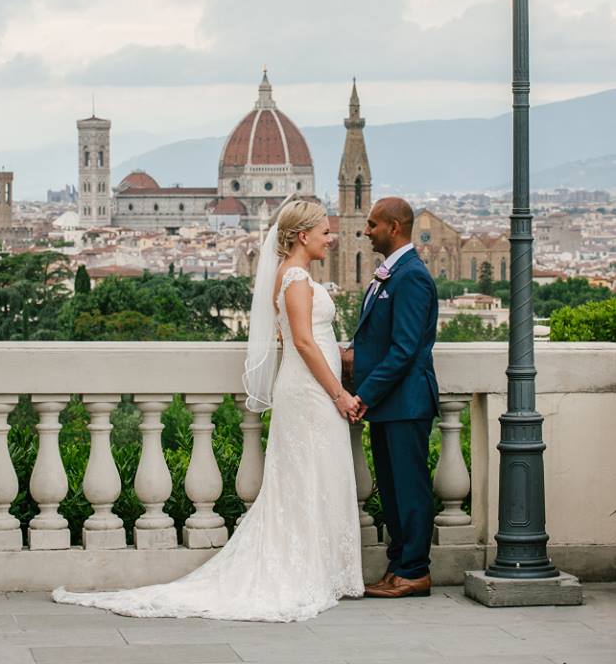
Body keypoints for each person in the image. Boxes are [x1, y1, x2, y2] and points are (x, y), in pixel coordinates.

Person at [53, 200, 364, 622]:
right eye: (326, 232)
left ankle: (319, 567)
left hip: (309, 388)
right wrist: (339, 395)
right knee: (308, 475)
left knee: (314, 476)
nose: (332, 238)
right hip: (311, 392)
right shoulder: (294, 278)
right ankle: (306, 569)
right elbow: (305, 344)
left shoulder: (294, 276)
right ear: (303, 235)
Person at [343, 197, 439, 599]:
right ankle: (398, 565)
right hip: (390, 404)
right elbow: (380, 338)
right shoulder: (391, 273)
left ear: (394, 227)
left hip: (406, 402)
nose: (367, 231)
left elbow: (405, 349)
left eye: (372, 225)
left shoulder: (411, 276)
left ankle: (415, 570)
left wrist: (364, 393)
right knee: (393, 488)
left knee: (410, 488)